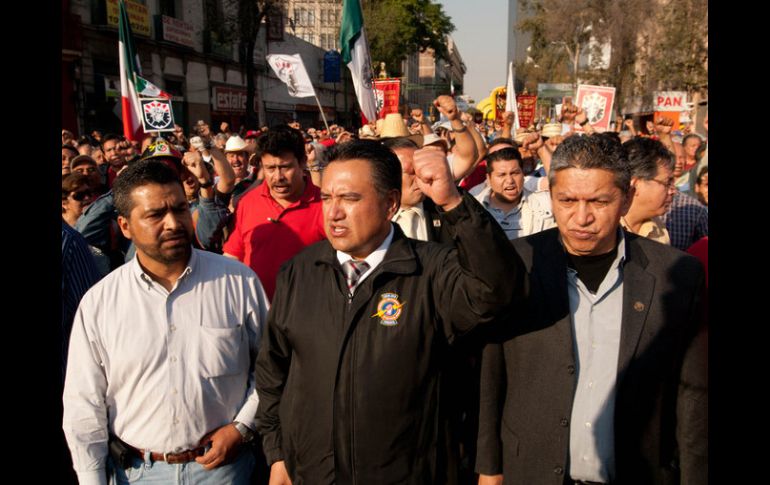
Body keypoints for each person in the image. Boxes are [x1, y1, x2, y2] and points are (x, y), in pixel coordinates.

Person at [255, 140, 519, 484]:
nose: (333, 212)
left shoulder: (432, 270)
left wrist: (453, 203)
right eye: (326, 198)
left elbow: (498, 292)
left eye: (349, 199)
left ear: (390, 203)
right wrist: (277, 455)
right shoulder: (299, 272)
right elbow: (273, 372)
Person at [476, 135, 707, 485]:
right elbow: (493, 378)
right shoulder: (518, 264)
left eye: (599, 201)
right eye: (566, 200)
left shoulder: (676, 277)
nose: (581, 217)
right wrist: (490, 471)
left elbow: (693, 399)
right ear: (550, 194)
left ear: (627, 196)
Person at [63, 160, 268, 485]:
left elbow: (271, 369)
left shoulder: (238, 282)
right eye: (155, 215)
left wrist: (241, 427)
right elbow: (83, 402)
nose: (173, 223)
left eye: (180, 209)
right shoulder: (101, 302)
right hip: (135, 473)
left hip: (225, 471)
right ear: (125, 226)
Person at [223, 126, 326, 300]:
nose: (278, 177)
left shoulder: (325, 204)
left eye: (285, 167)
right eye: (270, 168)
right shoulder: (248, 203)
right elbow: (232, 257)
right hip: (256, 314)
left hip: (307, 314)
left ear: (302, 163)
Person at [474, 147, 556, 240]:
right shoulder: (473, 208)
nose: (510, 180)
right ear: (489, 178)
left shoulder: (545, 202)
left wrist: (541, 149)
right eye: (502, 175)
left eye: (515, 173)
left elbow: (563, 187)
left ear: (523, 174)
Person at [619, 137, 676, 244]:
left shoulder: (659, 231)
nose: (673, 191)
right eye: (667, 183)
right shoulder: (605, 228)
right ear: (635, 184)